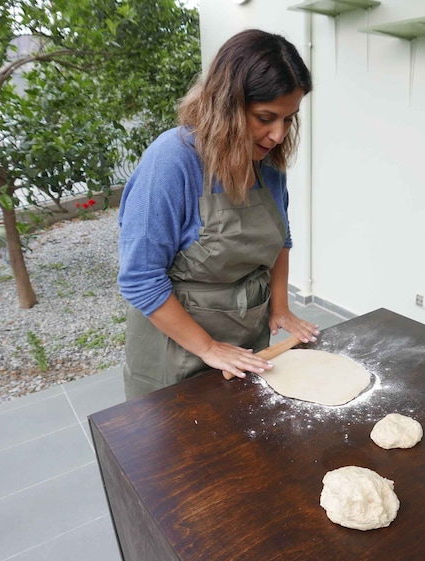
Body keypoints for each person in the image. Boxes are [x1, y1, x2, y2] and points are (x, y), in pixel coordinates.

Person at [117, 29, 319, 400]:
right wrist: (208, 347)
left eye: (289, 119)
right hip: (176, 347)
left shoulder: (268, 164)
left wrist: (280, 308)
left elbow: (281, 240)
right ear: (225, 104)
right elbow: (140, 278)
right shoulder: (172, 162)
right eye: (265, 117)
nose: (277, 135)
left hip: (245, 342)